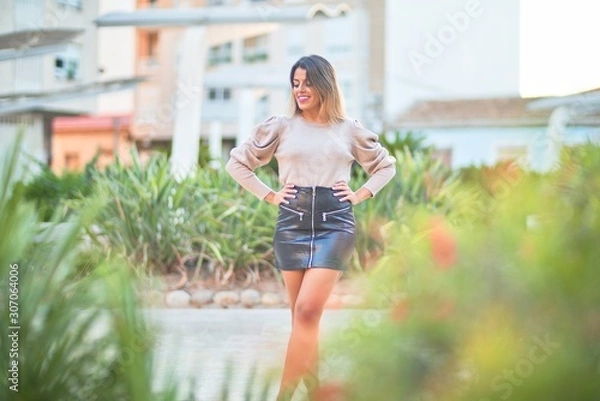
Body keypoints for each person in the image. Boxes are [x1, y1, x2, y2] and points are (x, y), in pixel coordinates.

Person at [226, 54, 396, 400]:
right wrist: (269, 195)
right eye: (296, 83)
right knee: (304, 323)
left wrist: (360, 193)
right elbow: (237, 164)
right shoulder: (281, 126)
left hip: (335, 224)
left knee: (306, 312)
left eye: (307, 83)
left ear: (325, 84)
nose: (300, 90)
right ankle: (317, 392)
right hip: (291, 224)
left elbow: (386, 166)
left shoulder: (348, 129)